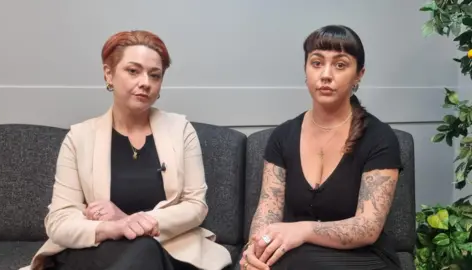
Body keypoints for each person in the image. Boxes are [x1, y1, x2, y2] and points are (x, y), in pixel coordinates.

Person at [21, 30, 232, 270]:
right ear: (109, 74)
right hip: (100, 250)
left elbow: (196, 206)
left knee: (144, 250)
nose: (145, 82)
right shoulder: (79, 138)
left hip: (167, 249)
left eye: (155, 75)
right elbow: (59, 221)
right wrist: (114, 227)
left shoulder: (181, 131)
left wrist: (132, 221)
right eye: (133, 71)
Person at [239, 25, 402, 270]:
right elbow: (268, 209)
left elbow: (368, 227)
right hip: (298, 255)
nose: (326, 75)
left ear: (359, 74)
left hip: (364, 258)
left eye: (340, 64)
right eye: (316, 63)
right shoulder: (283, 136)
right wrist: (256, 248)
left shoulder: (380, 138)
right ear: (305, 70)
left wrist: (304, 230)